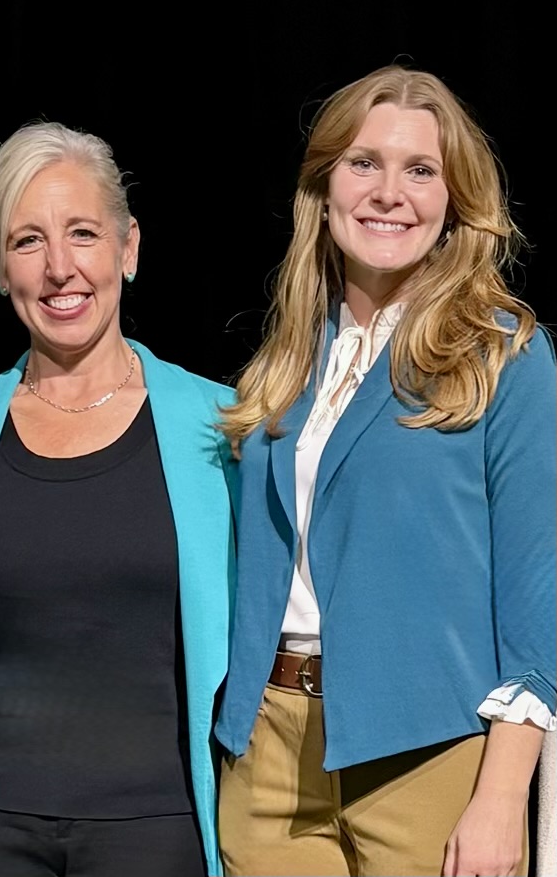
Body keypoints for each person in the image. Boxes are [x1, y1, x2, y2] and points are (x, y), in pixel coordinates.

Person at [215, 65, 556, 877]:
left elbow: (536, 602)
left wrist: (502, 796)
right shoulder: (285, 361)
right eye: (363, 162)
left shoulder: (502, 353)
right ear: (323, 184)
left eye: (419, 170)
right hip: (269, 747)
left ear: (452, 200)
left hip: (426, 755)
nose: (387, 192)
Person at [0, 122, 236, 877]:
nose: (60, 268)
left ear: (128, 248)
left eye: (82, 233)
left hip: (157, 831)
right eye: (27, 241)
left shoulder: (221, 425)